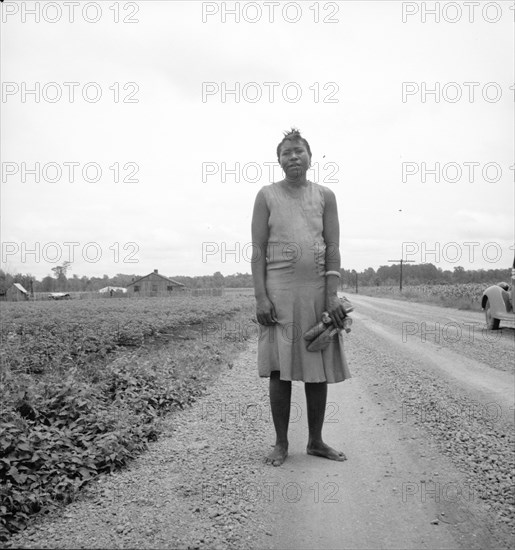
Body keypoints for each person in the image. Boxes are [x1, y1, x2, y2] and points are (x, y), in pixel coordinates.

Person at [251, 128, 351, 467]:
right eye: (286, 153)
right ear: (278, 161)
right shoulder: (266, 195)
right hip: (279, 295)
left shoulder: (326, 196)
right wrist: (261, 297)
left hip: (317, 293)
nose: (293, 157)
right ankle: (281, 444)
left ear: (310, 156)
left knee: (316, 367)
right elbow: (258, 251)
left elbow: (334, 248)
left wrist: (332, 294)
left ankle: (316, 441)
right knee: (281, 371)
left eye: (299, 151)